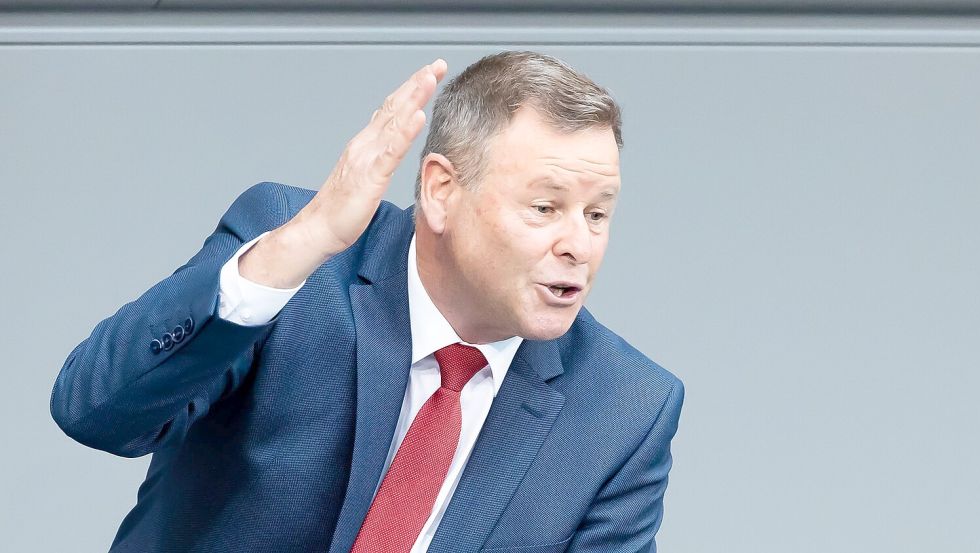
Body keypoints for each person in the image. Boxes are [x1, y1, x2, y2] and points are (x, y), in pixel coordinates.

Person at [50, 50, 684, 552]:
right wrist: (306, 240)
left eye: (598, 214)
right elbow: (95, 412)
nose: (580, 245)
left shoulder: (626, 406)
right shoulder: (294, 260)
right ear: (441, 191)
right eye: (545, 208)